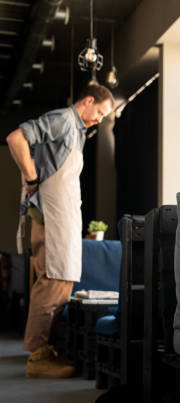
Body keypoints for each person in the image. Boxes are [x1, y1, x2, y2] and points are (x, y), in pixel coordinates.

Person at [6, 83, 114, 378]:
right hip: (50, 215)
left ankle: (45, 350)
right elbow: (16, 138)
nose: (100, 119)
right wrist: (29, 175)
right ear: (88, 101)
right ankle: (38, 356)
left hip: (60, 215)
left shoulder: (76, 131)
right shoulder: (63, 120)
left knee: (62, 283)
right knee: (53, 282)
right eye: (100, 112)